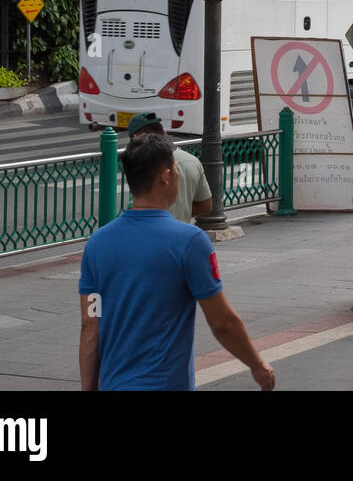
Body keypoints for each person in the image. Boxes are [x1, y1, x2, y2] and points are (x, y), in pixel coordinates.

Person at [78, 130, 275, 391]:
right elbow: (222, 323)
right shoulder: (189, 242)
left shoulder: (97, 244)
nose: (179, 175)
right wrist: (258, 366)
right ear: (166, 176)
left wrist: (89, 388)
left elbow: (91, 321)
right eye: (176, 168)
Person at [126, 113, 213, 223]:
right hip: (181, 233)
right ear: (165, 134)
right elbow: (205, 206)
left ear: (136, 139)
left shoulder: (142, 164)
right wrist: (180, 214)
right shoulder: (192, 161)